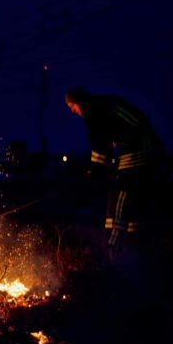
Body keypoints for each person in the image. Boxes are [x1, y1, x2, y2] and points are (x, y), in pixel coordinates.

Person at [65, 87, 162, 251]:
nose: (73, 111)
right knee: (134, 206)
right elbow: (103, 143)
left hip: (138, 153)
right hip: (142, 154)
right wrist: (96, 168)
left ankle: (111, 249)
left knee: (118, 196)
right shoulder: (102, 106)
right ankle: (134, 248)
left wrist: (94, 168)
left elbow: (99, 142)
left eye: (72, 106)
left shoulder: (95, 110)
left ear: (79, 102)